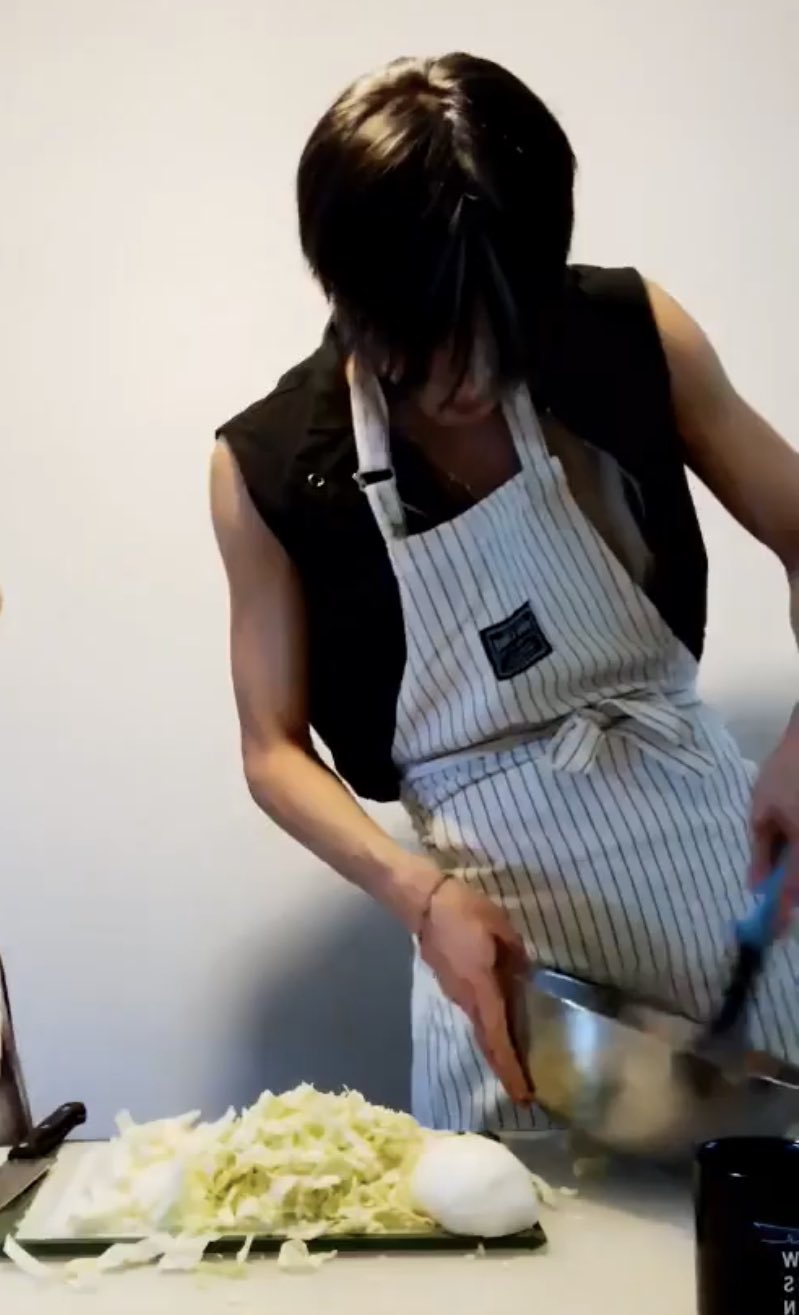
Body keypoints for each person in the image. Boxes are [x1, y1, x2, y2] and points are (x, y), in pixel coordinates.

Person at [211, 53, 799, 1131]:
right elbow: (270, 750)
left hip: (720, 893)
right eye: (431, 334)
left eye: (504, 322)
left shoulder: (627, 334)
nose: (474, 373)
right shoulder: (273, 468)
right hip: (500, 952)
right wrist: (419, 895)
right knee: (516, 1218)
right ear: (346, 291)